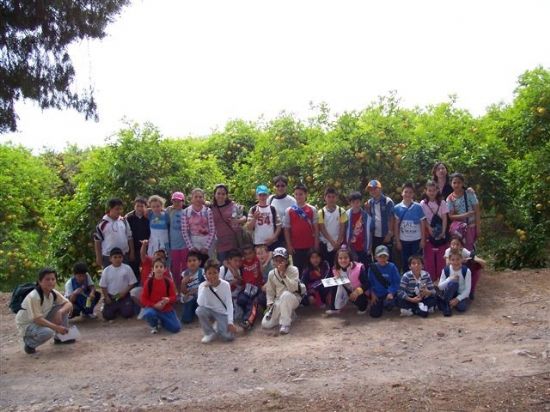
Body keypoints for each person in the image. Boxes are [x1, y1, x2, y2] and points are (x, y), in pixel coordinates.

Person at [16, 268, 74, 354]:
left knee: (62, 308)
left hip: (41, 318)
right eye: (47, 279)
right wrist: (57, 327)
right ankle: (29, 344)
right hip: (27, 324)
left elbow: (69, 304)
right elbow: (37, 319)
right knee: (48, 332)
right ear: (40, 281)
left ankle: (60, 338)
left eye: (53, 279)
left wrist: (60, 312)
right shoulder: (34, 296)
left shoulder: (52, 293)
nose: (51, 282)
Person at [196, 259, 237, 343]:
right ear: (206, 274)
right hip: (209, 310)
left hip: (222, 313)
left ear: (219, 273)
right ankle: (209, 333)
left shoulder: (225, 285)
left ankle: (218, 326)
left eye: (215, 272)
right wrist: (205, 289)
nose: (212, 276)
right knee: (199, 310)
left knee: (227, 337)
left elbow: (229, 304)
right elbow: (200, 303)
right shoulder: (202, 286)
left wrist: (230, 322)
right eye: (209, 273)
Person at [262, 247, 301, 335]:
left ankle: (285, 324)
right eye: (276, 260)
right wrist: (270, 303)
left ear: (286, 260)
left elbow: (293, 288)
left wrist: (284, 276)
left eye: (281, 260)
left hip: (293, 297)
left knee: (286, 295)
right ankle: (289, 315)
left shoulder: (293, 270)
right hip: (278, 300)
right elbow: (270, 291)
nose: (279, 262)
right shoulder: (271, 273)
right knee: (266, 324)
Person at [283, 183, 319, 273]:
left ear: (306, 194)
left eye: (301, 194)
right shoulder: (289, 210)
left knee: (311, 269)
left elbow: (316, 228)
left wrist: (316, 243)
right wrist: (289, 245)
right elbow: (286, 229)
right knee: (298, 269)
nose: (298, 196)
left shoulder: (312, 209)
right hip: (296, 247)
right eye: (296, 194)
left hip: (310, 245)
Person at [140, 258, 181, 334]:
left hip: (166, 309)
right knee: (149, 313)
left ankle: (161, 322)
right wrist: (154, 305)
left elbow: (174, 297)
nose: (159, 269)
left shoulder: (168, 282)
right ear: (152, 269)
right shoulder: (149, 282)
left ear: (165, 269)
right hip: (153, 308)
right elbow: (143, 298)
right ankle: (154, 325)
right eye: (156, 267)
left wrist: (167, 300)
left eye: (161, 267)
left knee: (176, 328)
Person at [325, 247, 370, 315]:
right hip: (346, 289)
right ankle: (335, 308)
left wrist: (356, 292)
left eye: (346, 258)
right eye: (340, 258)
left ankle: (363, 306)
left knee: (361, 302)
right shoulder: (335, 268)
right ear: (337, 259)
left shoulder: (358, 268)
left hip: (357, 291)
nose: (343, 260)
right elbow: (330, 283)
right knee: (334, 282)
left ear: (350, 259)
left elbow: (367, 284)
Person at [420, 180, 449, 282]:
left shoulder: (442, 202)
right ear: (426, 191)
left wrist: (443, 231)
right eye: (429, 190)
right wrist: (429, 228)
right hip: (428, 233)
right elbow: (422, 218)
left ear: (437, 190)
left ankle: (442, 282)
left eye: (433, 190)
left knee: (442, 258)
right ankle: (430, 281)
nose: (431, 192)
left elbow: (445, 218)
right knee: (429, 259)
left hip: (441, 232)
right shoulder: (423, 204)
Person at [94, 198, 134, 269]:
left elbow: (129, 237)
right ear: (110, 209)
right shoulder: (102, 224)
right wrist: (98, 257)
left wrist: (132, 252)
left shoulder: (124, 221)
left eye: (121, 209)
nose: (119, 211)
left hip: (124, 256)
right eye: (117, 209)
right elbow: (97, 241)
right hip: (108, 257)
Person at [394, 182, 426, 272]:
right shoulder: (397, 208)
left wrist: (423, 239)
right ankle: (407, 282)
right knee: (405, 262)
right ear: (402, 193)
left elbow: (422, 223)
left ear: (413, 194)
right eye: (406, 192)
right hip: (404, 240)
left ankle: (418, 280)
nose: (408, 194)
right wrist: (398, 241)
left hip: (416, 239)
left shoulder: (418, 207)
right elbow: (396, 225)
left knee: (418, 261)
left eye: (410, 192)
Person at [99, 247, 138, 320]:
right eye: (115, 257)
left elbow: (132, 283)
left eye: (120, 257)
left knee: (128, 314)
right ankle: (113, 308)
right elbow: (103, 286)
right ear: (110, 259)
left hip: (124, 296)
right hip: (112, 296)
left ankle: (122, 307)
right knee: (107, 316)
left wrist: (124, 292)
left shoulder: (127, 268)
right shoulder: (106, 270)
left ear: (122, 258)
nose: (117, 259)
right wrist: (106, 297)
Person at [211, 184, 247, 262]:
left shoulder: (233, 205)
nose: (221, 196)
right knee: (223, 267)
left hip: (234, 241)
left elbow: (245, 217)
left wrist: (238, 221)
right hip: (220, 243)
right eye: (218, 193)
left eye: (223, 194)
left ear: (227, 195)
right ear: (214, 194)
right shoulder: (211, 208)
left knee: (236, 265)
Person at [181, 188, 216, 265]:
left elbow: (212, 229)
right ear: (192, 199)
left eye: (200, 197)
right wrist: (191, 247)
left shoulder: (208, 211)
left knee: (210, 265)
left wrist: (206, 247)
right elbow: (184, 231)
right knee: (196, 265)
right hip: (193, 241)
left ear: (203, 198)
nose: (198, 199)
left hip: (208, 240)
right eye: (196, 197)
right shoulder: (186, 212)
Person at [447, 173, 480, 251]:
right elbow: (450, 216)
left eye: (459, 182)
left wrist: (478, 228)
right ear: (451, 183)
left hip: (471, 227)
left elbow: (477, 211)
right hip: (459, 230)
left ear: (462, 183)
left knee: (470, 251)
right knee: (459, 251)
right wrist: (465, 215)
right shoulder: (450, 198)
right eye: (454, 182)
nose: (456, 185)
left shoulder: (469, 193)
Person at [237, 246, 266, 329]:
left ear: (254, 253)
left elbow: (270, 254)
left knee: (254, 301)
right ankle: (249, 313)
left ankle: (248, 321)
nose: (248, 256)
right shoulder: (242, 263)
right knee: (241, 299)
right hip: (246, 289)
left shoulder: (257, 260)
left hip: (258, 287)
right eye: (245, 254)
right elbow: (228, 262)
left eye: (250, 253)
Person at [368, 245, 400, 318]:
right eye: (380, 257)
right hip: (377, 294)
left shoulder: (392, 267)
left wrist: (391, 292)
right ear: (376, 257)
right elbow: (370, 282)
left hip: (388, 293)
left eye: (384, 256)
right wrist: (372, 294)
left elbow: (396, 282)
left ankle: (388, 304)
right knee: (375, 314)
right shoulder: (372, 268)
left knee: (389, 305)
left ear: (388, 257)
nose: (382, 259)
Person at [366, 180, 395, 261]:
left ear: (380, 189)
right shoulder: (369, 202)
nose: (373, 191)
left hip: (386, 235)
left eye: (375, 188)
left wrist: (390, 233)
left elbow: (391, 217)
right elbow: (369, 218)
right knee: (376, 258)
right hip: (375, 235)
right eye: (370, 189)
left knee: (388, 258)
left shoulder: (387, 201)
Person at [437, 250, 472, 316]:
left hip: (459, 294)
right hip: (448, 292)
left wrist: (457, 299)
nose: (455, 262)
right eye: (453, 260)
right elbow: (440, 287)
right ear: (449, 260)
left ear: (461, 259)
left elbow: (467, 289)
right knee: (454, 283)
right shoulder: (446, 270)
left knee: (462, 307)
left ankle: (447, 302)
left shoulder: (466, 271)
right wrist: (449, 278)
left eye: (458, 259)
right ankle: (447, 305)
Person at [318, 187, 347, 265]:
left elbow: (342, 227)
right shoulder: (321, 212)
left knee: (339, 265)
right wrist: (332, 241)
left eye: (333, 197)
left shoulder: (341, 211)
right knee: (327, 265)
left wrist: (337, 243)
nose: (331, 199)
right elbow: (322, 229)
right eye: (329, 197)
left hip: (339, 244)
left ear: (336, 198)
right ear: (325, 198)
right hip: (325, 244)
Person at [247, 185, 281, 250]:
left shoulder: (272, 209)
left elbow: (279, 226)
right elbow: (249, 228)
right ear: (257, 196)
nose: (262, 197)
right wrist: (254, 218)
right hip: (258, 243)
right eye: (260, 195)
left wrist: (273, 238)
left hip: (272, 242)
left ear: (267, 196)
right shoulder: (253, 209)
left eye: (264, 195)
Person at [166, 191, 188, 291]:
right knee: (175, 269)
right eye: (175, 201)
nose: (177, 203)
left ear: (183, 202)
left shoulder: (186, 212)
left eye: (179, 201)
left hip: (185, 245)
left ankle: (185, 287)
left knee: (185, 268)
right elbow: (156, 210)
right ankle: (177, 289)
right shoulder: (169, 211)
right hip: (173, 245)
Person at [268, 175, 297, 248]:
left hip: (286, 232)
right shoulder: (270, 199)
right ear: (274, 187)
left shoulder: (292, 201)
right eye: (277, 186)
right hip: (273, 232)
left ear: (286, 186)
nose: (280, 188)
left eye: (283, 186)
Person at [125, 196, 150, 277]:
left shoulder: (149, 218)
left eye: (142, 206)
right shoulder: (129, 218)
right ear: (134, 206)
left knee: (147, 268)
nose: (139, 208)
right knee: (134, 269)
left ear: (146, 207)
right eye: (137, 206)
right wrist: (131, 251)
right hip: (134, 249)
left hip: (147, 248)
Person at [345, 191, 372, 266]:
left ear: (361, 202)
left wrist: (369, 247)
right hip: (351, 248)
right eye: (353, 202)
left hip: (363, 247)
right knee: (352, 268)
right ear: (350, 203)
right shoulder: (346, 215)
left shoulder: (366, 216)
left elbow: (370, 232)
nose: (355, 204)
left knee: (363, 268)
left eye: (357, 202)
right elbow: (343, 232)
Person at [180, 251, 206, 324]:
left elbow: (204, 286)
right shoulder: (184, 274)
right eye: (189, 261)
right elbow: (183, 291)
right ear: (187, 263)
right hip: (190, 296)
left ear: (199, 262)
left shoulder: (203, 272)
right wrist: (183, 283)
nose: (192, 263)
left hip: (200, 295)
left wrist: (193, 292)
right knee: (186, 318)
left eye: (194, 260)